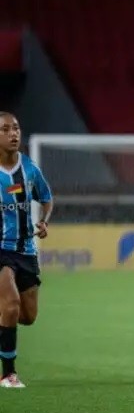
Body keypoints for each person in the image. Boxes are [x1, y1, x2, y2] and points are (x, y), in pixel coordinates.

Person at [0, 113, 52, 389]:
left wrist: (43, 221)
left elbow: (47, 198)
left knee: (27, 316)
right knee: (10, 305)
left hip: (26, 251)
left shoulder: (29, 169)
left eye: (16, 128)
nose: (13, 134)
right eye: (6, 129)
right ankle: (8, 374)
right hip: (1, 250)